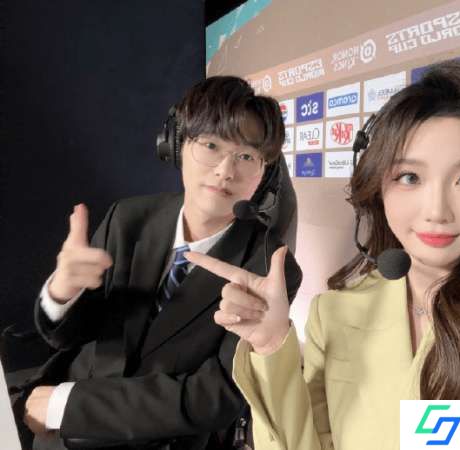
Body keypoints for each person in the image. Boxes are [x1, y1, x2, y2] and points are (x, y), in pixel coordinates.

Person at [186, 61, 460, 450]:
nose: (436, 211)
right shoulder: (337, 313)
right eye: (410, 177)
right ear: (378, 186)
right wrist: (271, 343)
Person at [16, 76, 302, 450]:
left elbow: (216, 396)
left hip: (150, 438)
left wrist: (66, 405)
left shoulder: (271, 267)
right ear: (177, 145)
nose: (225, 170)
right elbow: (70, 335)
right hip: (55, 430)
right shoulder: (128, 218)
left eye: (246, 156)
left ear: (265, 173)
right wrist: (61, 295)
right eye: (211, 145)